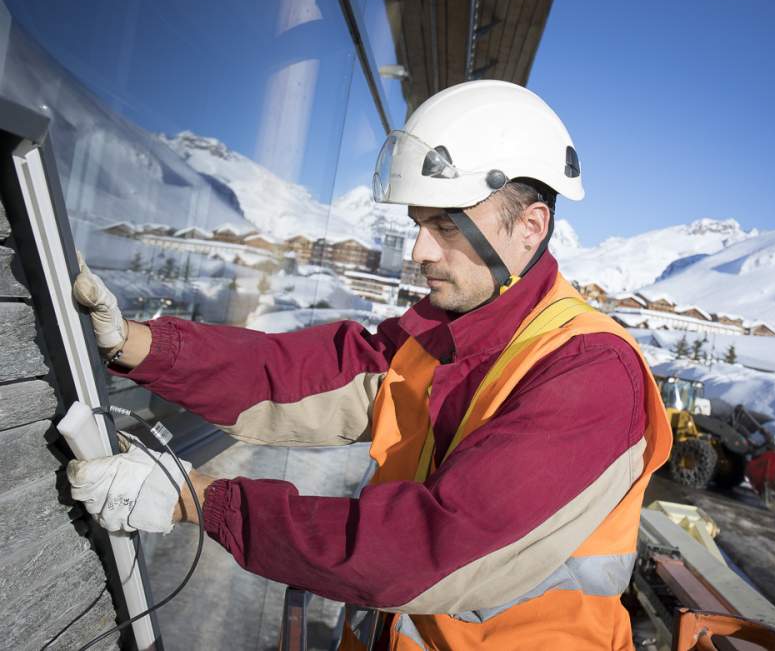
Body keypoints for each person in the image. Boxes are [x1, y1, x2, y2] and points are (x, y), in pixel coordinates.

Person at [68, 80, 672, 650]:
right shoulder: (447, 334)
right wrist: (141, 345)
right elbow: (308, 374)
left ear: (529, 227)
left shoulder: (589, 372)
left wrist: (197, 499)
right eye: (417, 224)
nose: (418, 251)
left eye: (444, 225)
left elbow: (427, 548)